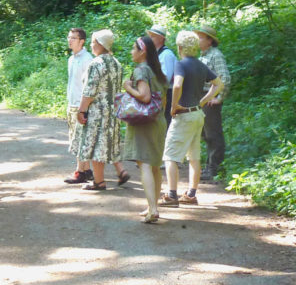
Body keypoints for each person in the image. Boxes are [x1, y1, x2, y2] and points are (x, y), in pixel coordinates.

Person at [161, 31, 223, 208]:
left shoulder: (181, 65)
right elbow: (219, 84)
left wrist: (174, 106)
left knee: (170, 155)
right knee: (194, 156)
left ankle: (172, 194)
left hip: (184, 114)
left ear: (179, 47)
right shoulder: (201, 64)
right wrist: (203, 101)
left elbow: (178, 84)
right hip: (197, 114)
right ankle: (191, 194)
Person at [73, 29, 129, 190]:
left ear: (99, 44)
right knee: (105, 144)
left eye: (93, 42)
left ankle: (99, 182)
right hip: (112, 111)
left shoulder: (96, 63)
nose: (91, 44)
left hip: (97, 112)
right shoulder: (117, 63)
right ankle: (99, 180)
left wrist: (81, 110)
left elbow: (90, 91)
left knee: (96, 144)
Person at [121, 35, 168, 223]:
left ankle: (153, 210)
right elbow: (161, 99)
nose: (131, 52)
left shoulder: (141, 70)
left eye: (134, 48)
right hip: (158, 121)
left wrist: (127, 87)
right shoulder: (158, 71)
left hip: (144, 123)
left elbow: (145, 97)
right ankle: (152, 206)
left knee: (145, 165)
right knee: (155, 165)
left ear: (143, 52)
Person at [197, 25, 231, 183]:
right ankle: (209, 166)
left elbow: (224, 78)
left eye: (201, 37)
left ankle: (214, 168)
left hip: (210, 98)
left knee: (213, 133)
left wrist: (219, 98)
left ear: (210, 41)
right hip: (204, 97)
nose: (198, 39)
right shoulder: (203, 55)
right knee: (205, 133)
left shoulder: (216, 55)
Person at [64, 27, 94, 184]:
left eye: (73, 38)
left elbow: (88, 86)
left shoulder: (87, 59)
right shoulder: (71, 59)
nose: (70, 40)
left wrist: (84, 107)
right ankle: (87, 169)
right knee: (74, 138)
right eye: (69, 37)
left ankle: (80, 171)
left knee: (80, 139)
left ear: (82, 41)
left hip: (80, 105)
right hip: (72, 103)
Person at [146, 24, 178, 126]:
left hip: (167, 95)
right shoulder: (156, 54)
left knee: (165, 124)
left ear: (161, 38)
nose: (150, 39)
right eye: (150, 36)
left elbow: (165, 79)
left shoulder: (166, 55)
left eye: (153, 36)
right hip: (159, 94)